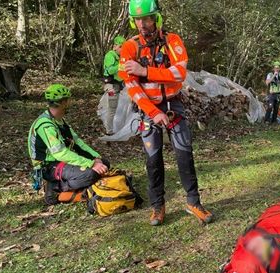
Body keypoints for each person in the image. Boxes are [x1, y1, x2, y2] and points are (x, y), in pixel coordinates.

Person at [118, 0, 213, 226]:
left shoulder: (172, 41)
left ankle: (193, 202)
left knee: (184, 153)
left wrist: (145, 71)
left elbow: (179, 72)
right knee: (153, 160)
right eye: (138, 19)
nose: (143, 24)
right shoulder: (129, 48)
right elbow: (132, 86)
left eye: (148, 18)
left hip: (173, 105)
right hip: (148, 110)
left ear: (157, 18)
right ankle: (157, 206)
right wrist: (152, 112)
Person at [27, 84, 109, 205]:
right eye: (68, 100)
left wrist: (96, 158)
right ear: (63, 102)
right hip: (49, 165)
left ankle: (72, 185)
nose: (69, 103)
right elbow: (60, 153)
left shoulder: (59, 121)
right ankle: (54, 188)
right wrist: (90, 164)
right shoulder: (45, 125)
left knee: (104, 163)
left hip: (62, 160)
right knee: (90, 174)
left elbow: (77, 142)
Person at [102, 35, 126, 135]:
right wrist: (121, 65)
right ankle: (109, 131)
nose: (122, 50)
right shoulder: (110, 55)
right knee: (112, 108)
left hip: (120, 85)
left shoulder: (121, 56)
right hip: (111, 86)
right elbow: (110, 70)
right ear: (115, 46)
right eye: (121, 47)